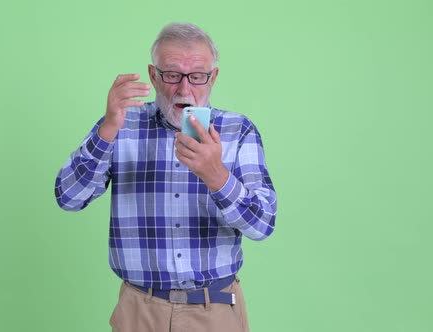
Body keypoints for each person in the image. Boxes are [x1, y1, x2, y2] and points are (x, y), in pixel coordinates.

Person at [55, 22, 277, 332]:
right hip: (138, 311)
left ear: (213, 77)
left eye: (197, 76)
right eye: (171, 75)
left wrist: (218, 178)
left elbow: (263, 225)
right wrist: (106, 130)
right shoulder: (121, 124)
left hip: (215, 310)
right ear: (153, 75)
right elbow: (68, 197)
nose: (184, 89)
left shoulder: (238, 131)